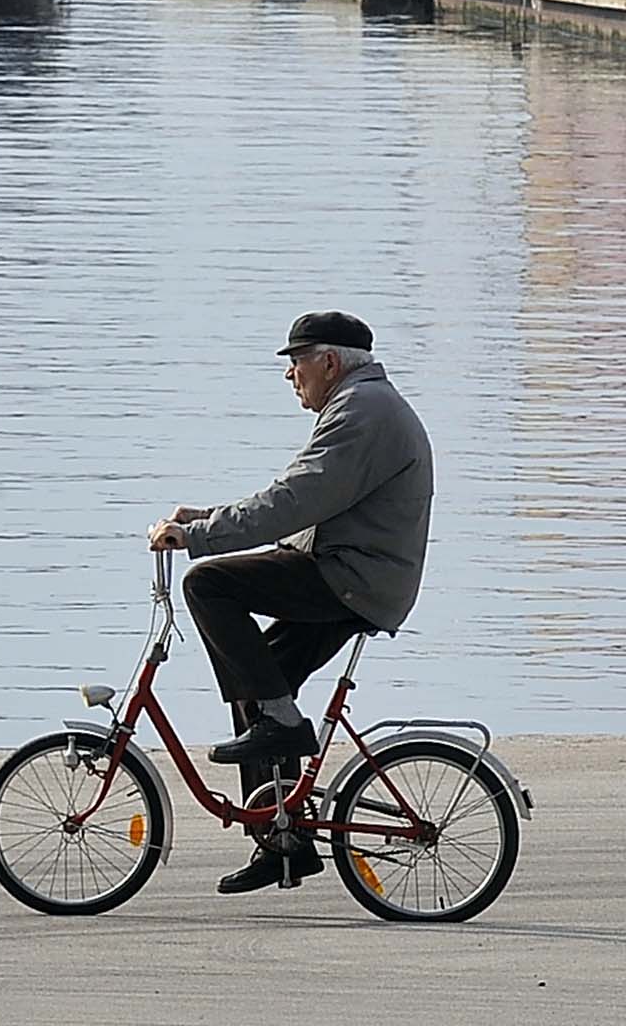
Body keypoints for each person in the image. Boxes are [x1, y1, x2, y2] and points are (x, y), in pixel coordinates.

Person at [147, 310, 433, 897]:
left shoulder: (360, 413)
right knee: (260, 683)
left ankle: (281, 727)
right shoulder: (359, 406)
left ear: (328, 362)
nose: (289, 376)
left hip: (352, 578)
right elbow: (300, 509)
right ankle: (284, 845)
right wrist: (205, 519)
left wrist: (199, 540)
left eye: (295, 362)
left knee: (208, 585)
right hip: (352, 572)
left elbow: (293, 501)